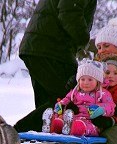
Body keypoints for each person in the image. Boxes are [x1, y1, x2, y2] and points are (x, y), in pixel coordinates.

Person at [14, 0, 97, 133]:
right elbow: (69, 12)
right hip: (52, 49)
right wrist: (83, 39)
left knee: (48, 103)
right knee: (69, 98)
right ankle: (15, 134)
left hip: (40, 46)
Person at [42, 60, 115, 136]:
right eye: (82, 79)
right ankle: (52, 125)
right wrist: (60, 105)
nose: (86, 82)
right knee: (61, 120)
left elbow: (110, 106)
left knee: (83, 126)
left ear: (98, 81)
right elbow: (66, 99)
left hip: (91, 121)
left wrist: (101, 109)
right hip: (72, 117)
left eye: (90, 79)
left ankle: (73, 128)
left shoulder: (103, 93)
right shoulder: (75, 91)